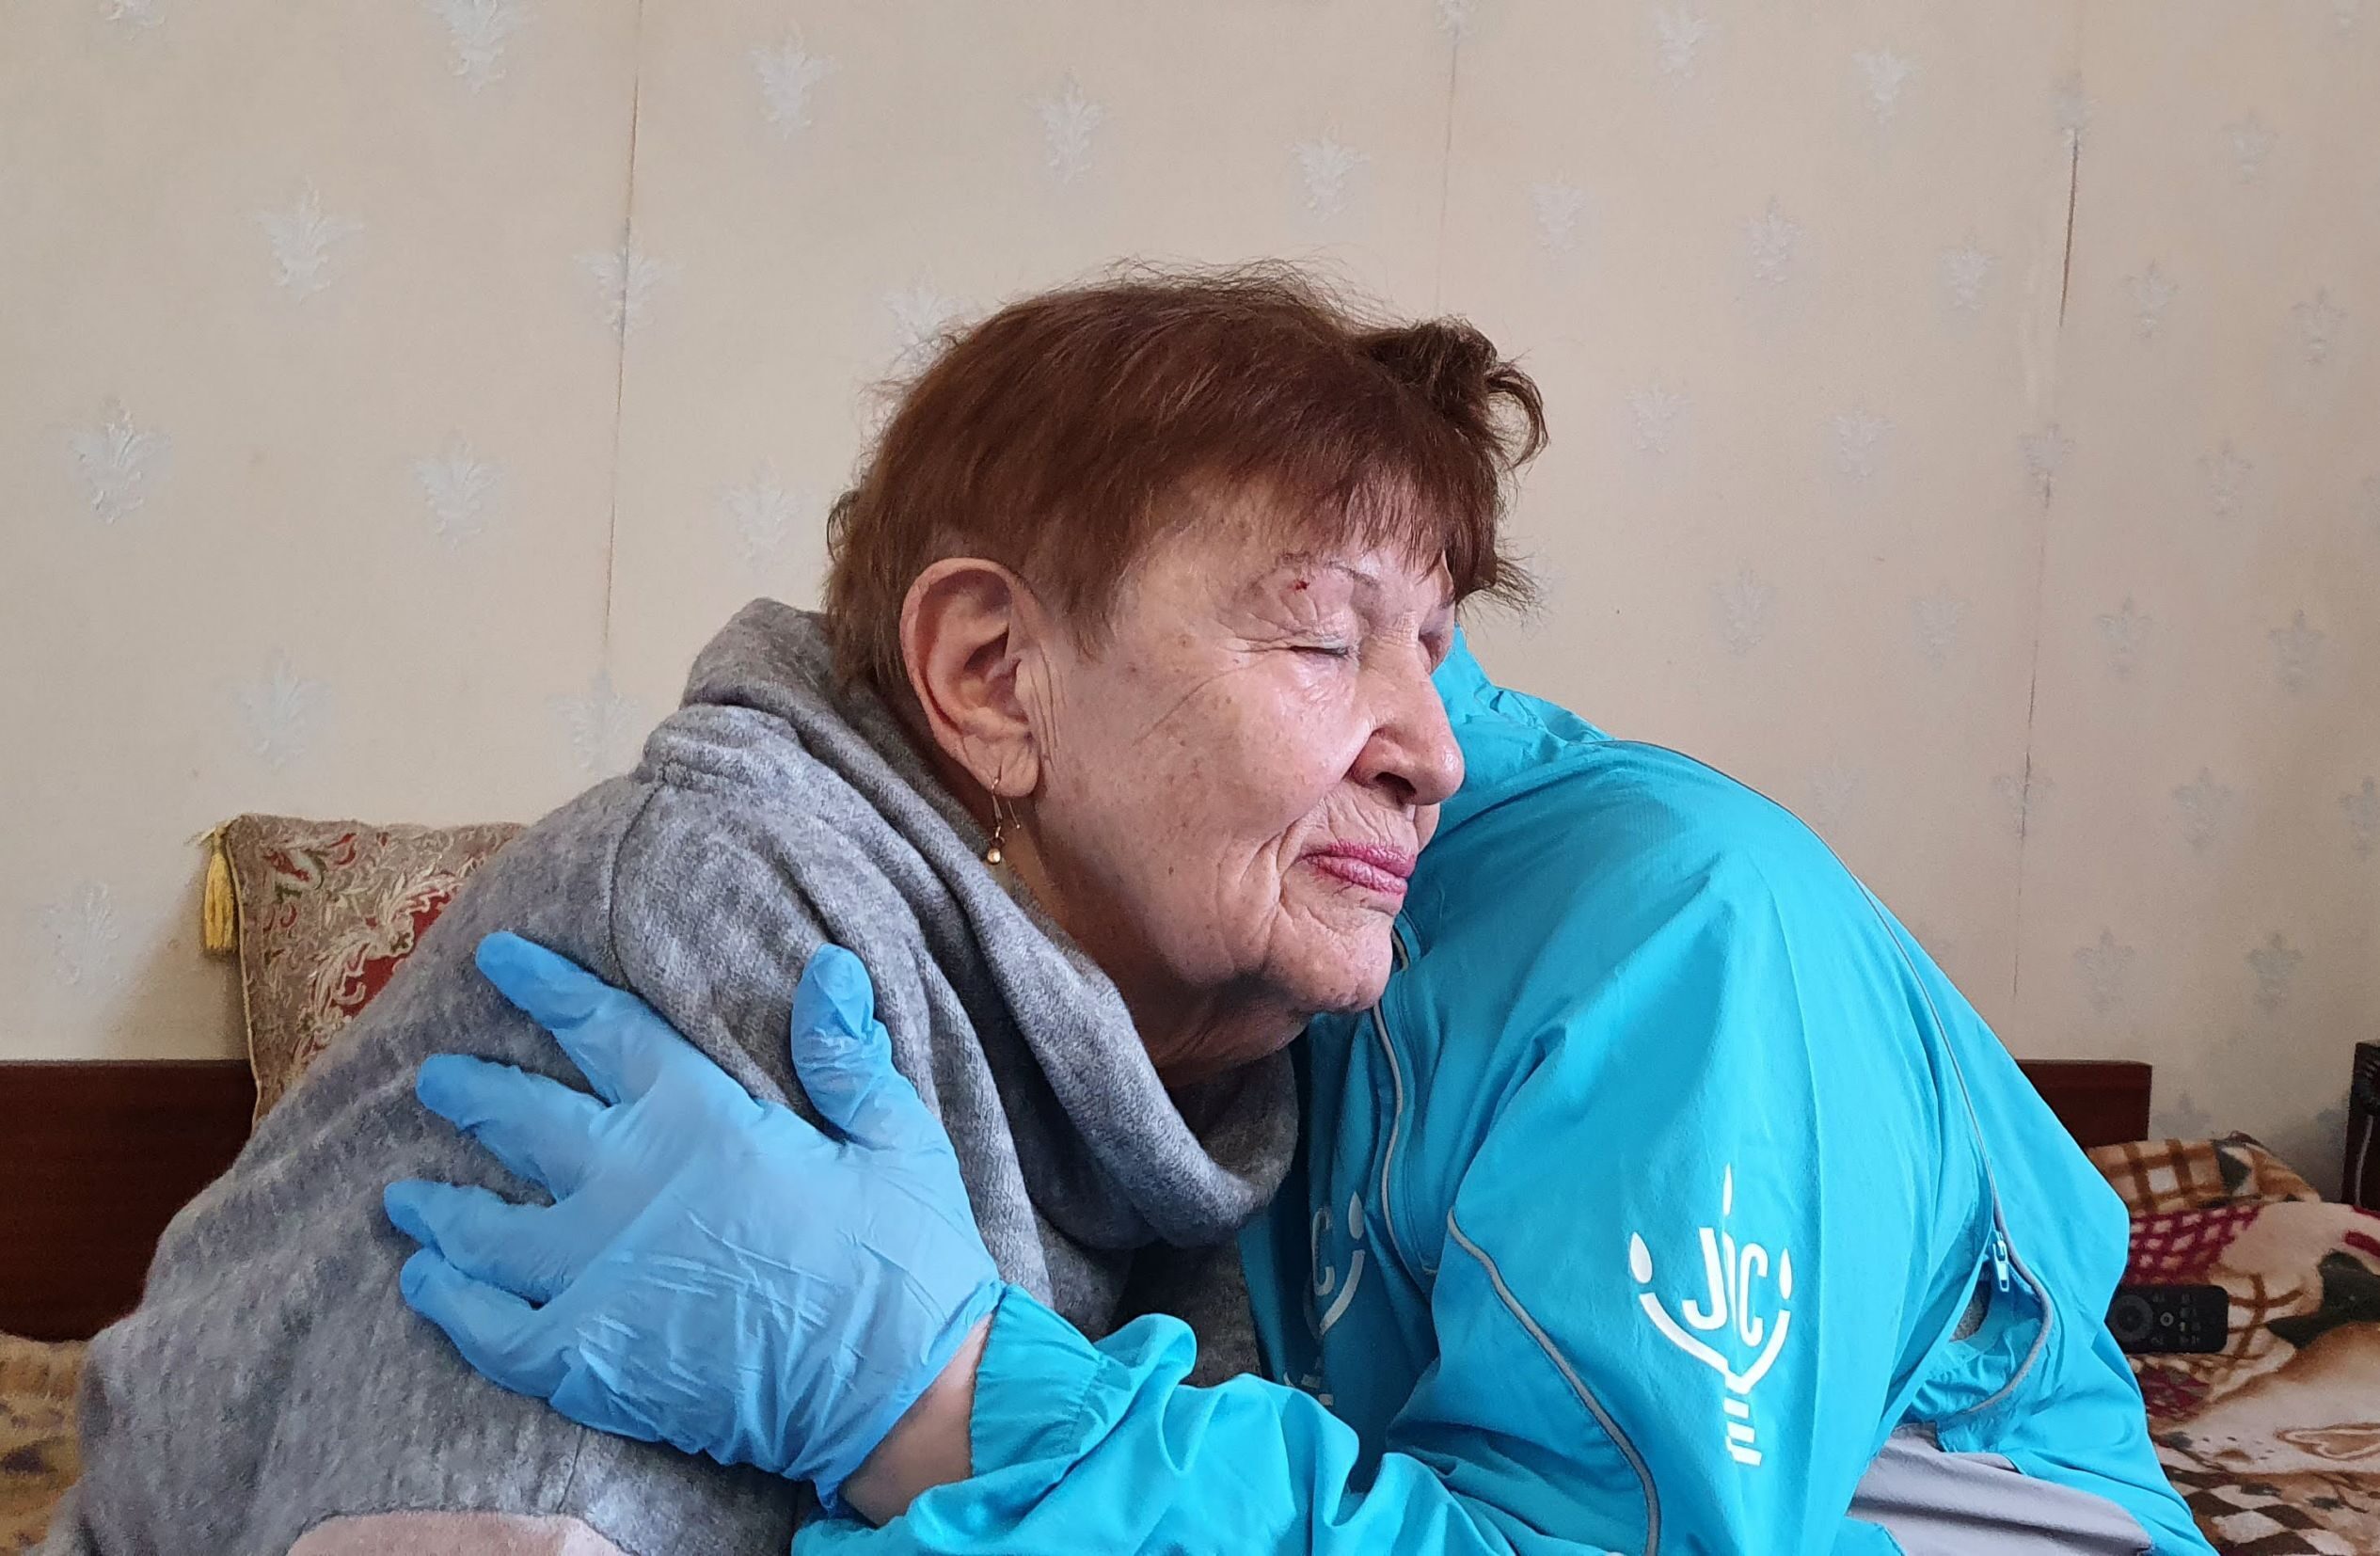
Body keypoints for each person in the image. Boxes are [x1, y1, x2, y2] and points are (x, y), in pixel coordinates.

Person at [44, 267, 1537, 1555]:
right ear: (993, 675)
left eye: (1433, 651)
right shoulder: (723, 912)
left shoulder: (1242, 1065)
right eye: (1324, 635)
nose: (1434, 750)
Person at [385, 657, 2223, 1546]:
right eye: (1314, 631)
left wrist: (945, 1393)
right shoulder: (1193, 968)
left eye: (1400, 632)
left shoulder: (1668, 937)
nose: (1404, 733)